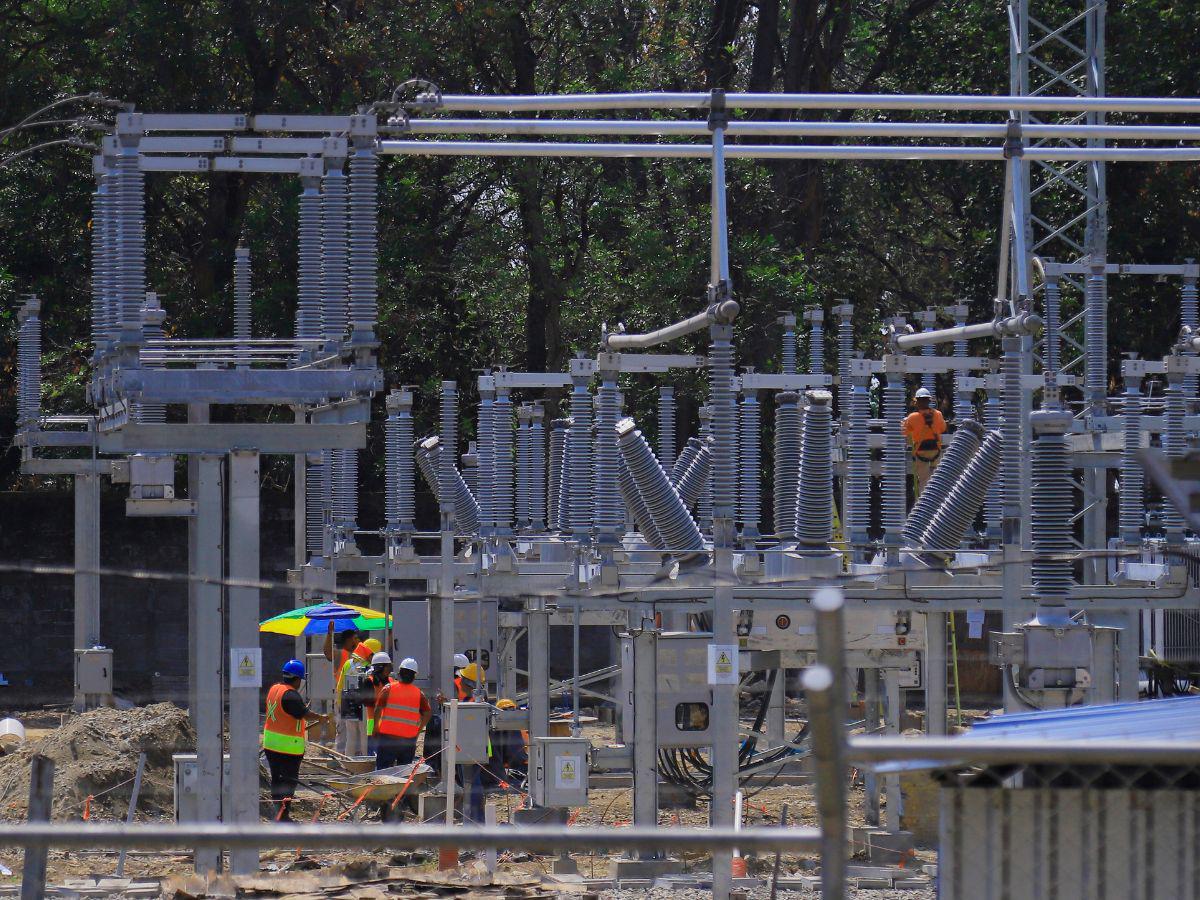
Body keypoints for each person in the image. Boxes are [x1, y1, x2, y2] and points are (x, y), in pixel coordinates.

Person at [262, 659, 327, 822]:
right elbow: (303, 713)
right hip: (288, 749)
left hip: (271, 744)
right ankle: (283, 817)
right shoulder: (290, 695)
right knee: (288, 784)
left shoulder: (274, 689)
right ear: (297, 679)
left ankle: (278, 813)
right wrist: (320, 717)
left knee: (277, 780)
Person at [372, 657, 432, 769]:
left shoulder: (389, 688)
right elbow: (427, 713)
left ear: (399, 673)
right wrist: (418, 730)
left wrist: (375, 728)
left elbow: (378, 709)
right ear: (415, 676)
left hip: (387, 738)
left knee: (383, 771)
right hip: (408, 740)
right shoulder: (418, 693)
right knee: (403, 772)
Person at [901, 387, 947, 495]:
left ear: (916, 401)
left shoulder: (912, 417)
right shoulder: (938, 414)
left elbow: (904, 432)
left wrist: (904, 423)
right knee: (937, 481)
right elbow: (943, 428)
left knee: (924, 482)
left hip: (921, 453)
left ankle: (924, 507)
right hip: (936, 452)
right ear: (929, 401)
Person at [335, 641, 374, 757]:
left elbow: (340, 686)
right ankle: (365, 761)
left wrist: (339, 703)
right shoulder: (368, 667)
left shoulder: (348, 663)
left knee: (351, 736)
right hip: (363, 704)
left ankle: (349, 761)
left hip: (347, 701)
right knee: (364, 735)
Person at [363, 651, 395, 755]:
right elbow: (368, 703)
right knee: (373, 756)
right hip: (373, 726)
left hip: (388, 726)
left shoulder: (391, 681)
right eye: (388, 667)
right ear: (380, 667)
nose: (389, 669)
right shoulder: (369, 681)